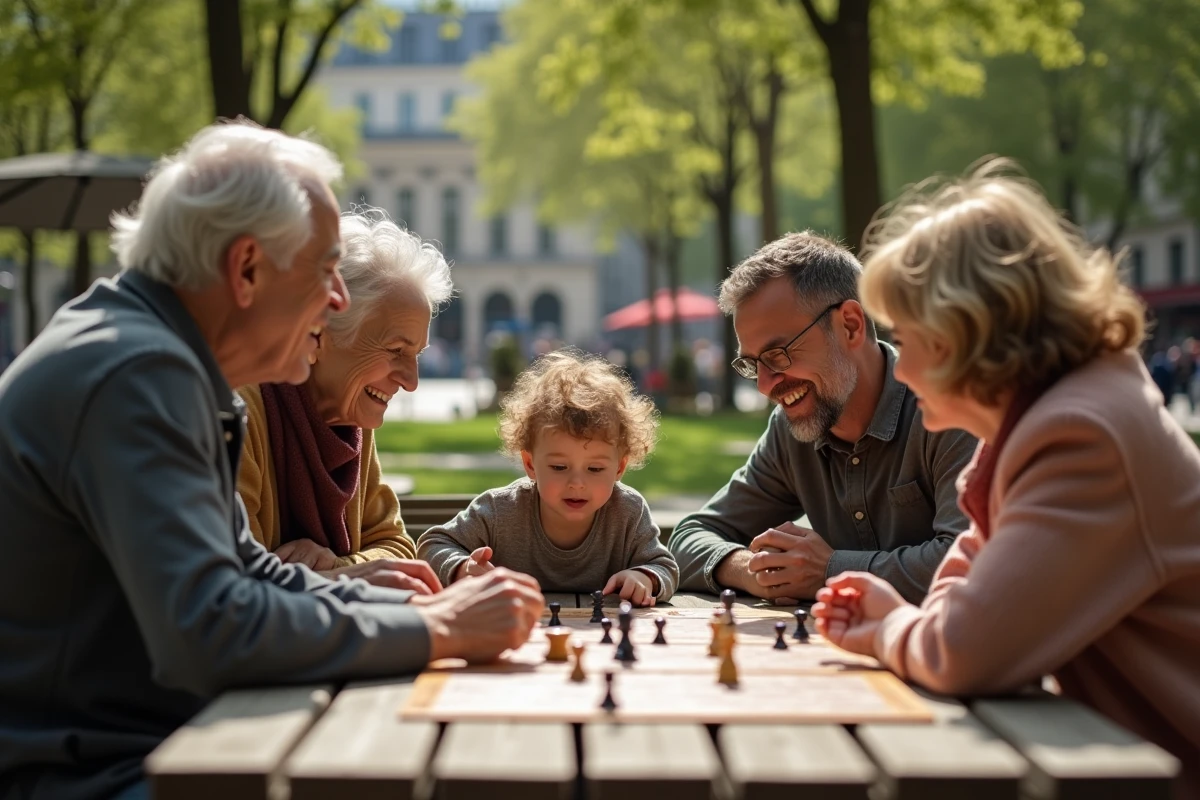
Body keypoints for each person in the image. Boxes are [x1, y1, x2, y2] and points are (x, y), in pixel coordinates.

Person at [0, 121, 542, 800]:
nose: (336, 300)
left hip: (146, 747)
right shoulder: (139, 373)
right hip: (87, 775)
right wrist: (437, 627)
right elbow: (213, 627)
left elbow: (248, 571)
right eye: (323, 271)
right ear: (247, 268)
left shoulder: (156, 357)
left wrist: (399, 608)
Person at [811, 161, 1200, 795]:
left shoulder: (1082, 436)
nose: (900, 370)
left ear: (965, 331)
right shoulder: (1048, 419)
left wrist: (886, 631)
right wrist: (904, 620)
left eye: (907, 339)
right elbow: (956, 604)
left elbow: (964, 651)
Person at [669, 233, 977, 604]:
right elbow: (690, 537)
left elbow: (971, 564)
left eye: (778, 354)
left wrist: (828, 572)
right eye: (752, 364)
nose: (766, 386)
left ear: (849, 325)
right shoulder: (791, 429)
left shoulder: (950, 409)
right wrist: (758, 570)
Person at [237, 209, 450, 593]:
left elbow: (398, 546)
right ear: (320, 333)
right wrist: (337, 578)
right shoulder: (241, 411)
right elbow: (233, 585)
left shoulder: (350, 420)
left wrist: (338, 566)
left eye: (417, 354)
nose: (412, 381)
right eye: (396, 350)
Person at [418, 349, 679, 606]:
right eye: (558, 467)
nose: (577, 483)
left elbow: (665, 567)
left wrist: (645, 577)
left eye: (595, 469)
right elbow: (433, 545)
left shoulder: (628, 513)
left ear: (619, 469)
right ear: (530, 464)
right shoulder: (500, 511)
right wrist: (462, 568)